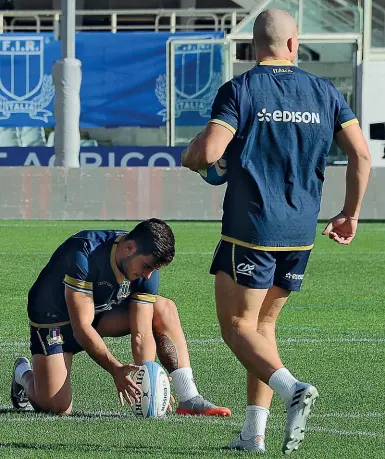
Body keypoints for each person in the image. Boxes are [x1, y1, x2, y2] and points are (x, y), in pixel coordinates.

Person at [182, 8, 371, 455]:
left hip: (251, 229)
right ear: (293, 44)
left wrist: (192, 156)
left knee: (236, 327)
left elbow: (208, 153)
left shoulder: (241, 89)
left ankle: (292, 389)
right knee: (263, 328)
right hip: (301, 231)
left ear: (251, 47)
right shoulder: (326, 92)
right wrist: (350, 213)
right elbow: (361, 156)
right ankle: (254, 434)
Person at [11, 218, 231, 417]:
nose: (148, 275)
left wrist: (148, 380)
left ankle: (190, 398)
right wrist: (116, 369)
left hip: (99, 313)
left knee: (163, 308)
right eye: (146, 267)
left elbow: (142, 333)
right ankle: (23, 374)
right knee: (56, 406)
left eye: (154, 269)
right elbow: (81, 328)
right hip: (55, 322)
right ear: (129, 247)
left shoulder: (145, 268)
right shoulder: (82, 254)